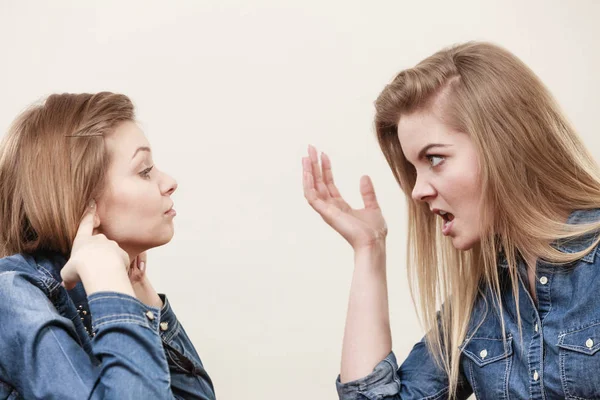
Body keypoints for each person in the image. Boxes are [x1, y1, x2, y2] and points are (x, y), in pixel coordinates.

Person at [303, 41, 600, 399]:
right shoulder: (481, 302)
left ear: (504, 144)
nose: (417, 190)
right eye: (414, 169)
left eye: (435, 158)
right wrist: (369, 249)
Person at [0, 92, 215, 399]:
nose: (169, 182)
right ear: (81, 199)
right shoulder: (11, 294)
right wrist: (113, 290)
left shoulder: (92, 289)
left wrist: (147, 303)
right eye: (144, 171)